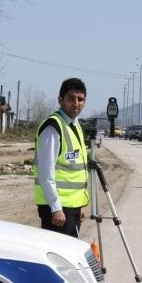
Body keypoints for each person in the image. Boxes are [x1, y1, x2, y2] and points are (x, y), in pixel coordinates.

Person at [33, 78, 89, 237]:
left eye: (80, 99)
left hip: (71, 208)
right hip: (57, 210)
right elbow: (46, 173)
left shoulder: (74, 125)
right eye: (71, 98)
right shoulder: (53, 127)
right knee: (59, 258)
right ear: (60, 100)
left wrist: (79, 207)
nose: (76, 103)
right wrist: (56, 208)